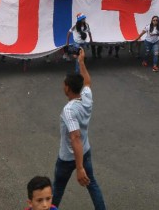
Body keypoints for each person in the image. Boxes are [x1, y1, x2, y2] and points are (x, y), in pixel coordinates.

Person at [52, 48, 106, 210]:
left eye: (64, 84)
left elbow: (75, 137)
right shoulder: (86, 98)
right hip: (86, 151)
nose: (63, 86)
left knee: (58, 189)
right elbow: (87, 81)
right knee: (92, 185)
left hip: (68, 158)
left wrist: (79, 167)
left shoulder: (69, 110)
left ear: (68, 88)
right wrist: (81, 62)